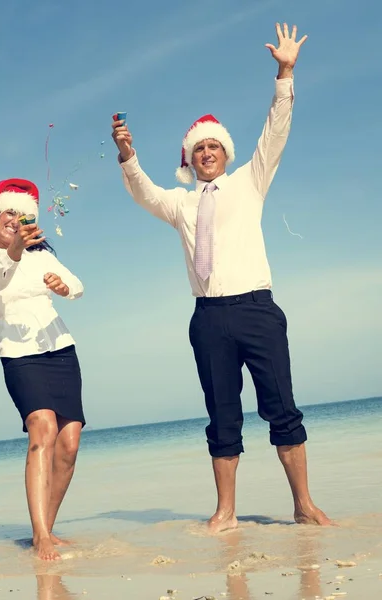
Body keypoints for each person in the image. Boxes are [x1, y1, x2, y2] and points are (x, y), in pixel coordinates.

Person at [111, 23, 332, 533]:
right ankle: (226, 511)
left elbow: (275, 132)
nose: (207, 153)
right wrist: (127, 155)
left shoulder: (251, 182)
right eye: (198, 149)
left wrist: (285, 73)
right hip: (208, 318)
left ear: (227, 154)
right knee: (222, 416)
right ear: (189, 159)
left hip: (257, 309)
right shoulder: (181, 203)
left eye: (214, 147)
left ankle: (303, 504)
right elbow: (144, 192)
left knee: (283, 408)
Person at [0, 178, 85, 561]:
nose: (14, 220)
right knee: (43, 429)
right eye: (7, 214)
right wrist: (15, 250)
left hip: (61, 347)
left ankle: (45, 529)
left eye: (20, 214)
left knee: (69, 443)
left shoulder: (42, 256)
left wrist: (63, 288)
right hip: (18, 354)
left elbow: (77, 285)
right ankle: (40, 536)